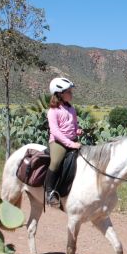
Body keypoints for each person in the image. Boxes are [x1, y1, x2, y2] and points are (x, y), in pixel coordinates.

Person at [45, 77, 83, 207]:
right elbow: (55, 132)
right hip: (58, 142)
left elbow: (73, 125)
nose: (71, 94)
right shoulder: (53, 111)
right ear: (60, 94)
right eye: (69, 92)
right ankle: (49, 192)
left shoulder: (71, 109)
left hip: (72, 140)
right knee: (55, 162)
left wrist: (77, 131)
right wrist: (71, 144)